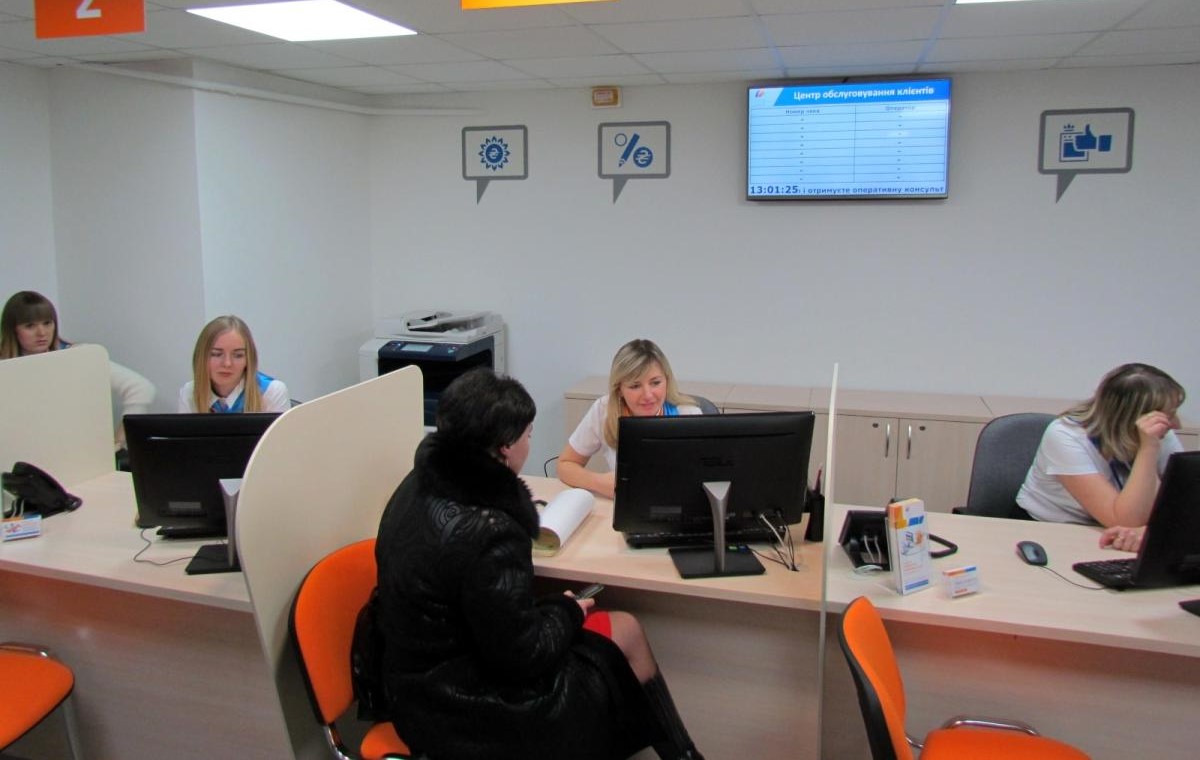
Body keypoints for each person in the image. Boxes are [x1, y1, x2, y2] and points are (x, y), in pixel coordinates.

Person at [374, 368, 704, 760]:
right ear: (504, 447)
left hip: (411, 689)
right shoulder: (490, 530)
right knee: (621, 641)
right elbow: (524, 656)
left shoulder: (414, 485)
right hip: (466, 710)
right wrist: (566, 609)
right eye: (529, 436)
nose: (530, 445)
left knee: (619, 633)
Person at [1017, 363, 1185, 528]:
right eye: (1169, 415)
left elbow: (1184, 500)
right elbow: (1123, 522)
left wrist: (1143, 532)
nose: (1177, 425)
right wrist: (1148, 450)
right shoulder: (1065, 435)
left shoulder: (1158, 432)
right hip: (1052, 528)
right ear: (1129, 418)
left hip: (1117, 529)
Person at [1, 290, 155, 446]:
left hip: (76, 448)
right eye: (30, 326)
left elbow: (140, 388)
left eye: (47, 323)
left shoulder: (78, 356)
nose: (42, 333)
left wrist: (119, 441)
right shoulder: (5, 368)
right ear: (13, 330)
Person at [558, 339, 700, 499]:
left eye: (655, 383)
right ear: (619, 389)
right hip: (624, 506)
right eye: (635, 386)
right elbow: (565, 465)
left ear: (667, 381)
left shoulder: (689, 414)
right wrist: (599, 482)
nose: (648, 395)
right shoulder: (604, 410)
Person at [178, 315, 290, 414]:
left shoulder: (271, 392)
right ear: (201, 357)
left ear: (248, 359)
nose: (227, 363)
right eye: (217, 354)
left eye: (238, 355)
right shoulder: (190, 393)